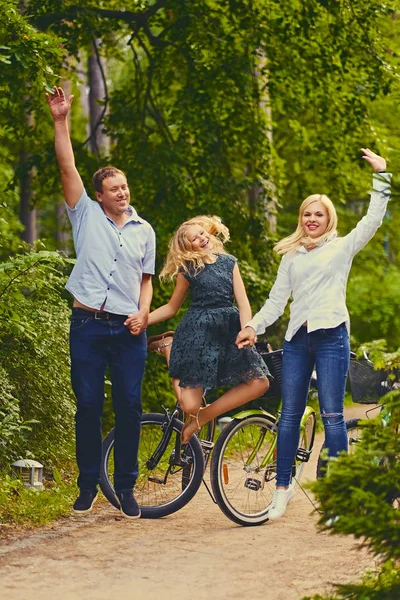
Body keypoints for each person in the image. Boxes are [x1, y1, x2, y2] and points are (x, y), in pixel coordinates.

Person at [236, 148, 391, 520]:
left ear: (329, 219)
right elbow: (276, 301)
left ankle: (338, 497)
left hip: (332, 338)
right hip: (296, 341)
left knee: (333, 415)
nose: (311, 218)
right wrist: (252, 325)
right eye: (306, 213)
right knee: (288, 414)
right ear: (300, 218)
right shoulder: (292, 257)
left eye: (318, 214)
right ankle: (282, 490)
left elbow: (372, 220)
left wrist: (381, 175)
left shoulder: (341, 248)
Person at [46, 87, 156, 519]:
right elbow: (66, 164)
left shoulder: (144, 230)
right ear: (100, 194)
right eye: (114, 188)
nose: (123, 193)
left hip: (129, 329)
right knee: (89, 404)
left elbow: (146, 281)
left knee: (129, 406)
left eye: (125, 186)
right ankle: (88, 484)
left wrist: (144, 312)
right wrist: (61, 120)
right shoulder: (85, 213)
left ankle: (126, 487)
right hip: (88, 325)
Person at [142, 215, 270, 442]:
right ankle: (169, 347)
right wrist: (143, 320)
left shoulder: (229, 262)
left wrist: (247, 328)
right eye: (194, 238)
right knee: (189, 405)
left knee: (260, 382)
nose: (201, 238)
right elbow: (172, 307)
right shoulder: (188, 269)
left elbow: (243, 303)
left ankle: (203, 418)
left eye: (202, 233)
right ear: (187, 247)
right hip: (198, 334)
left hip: (229, 331)